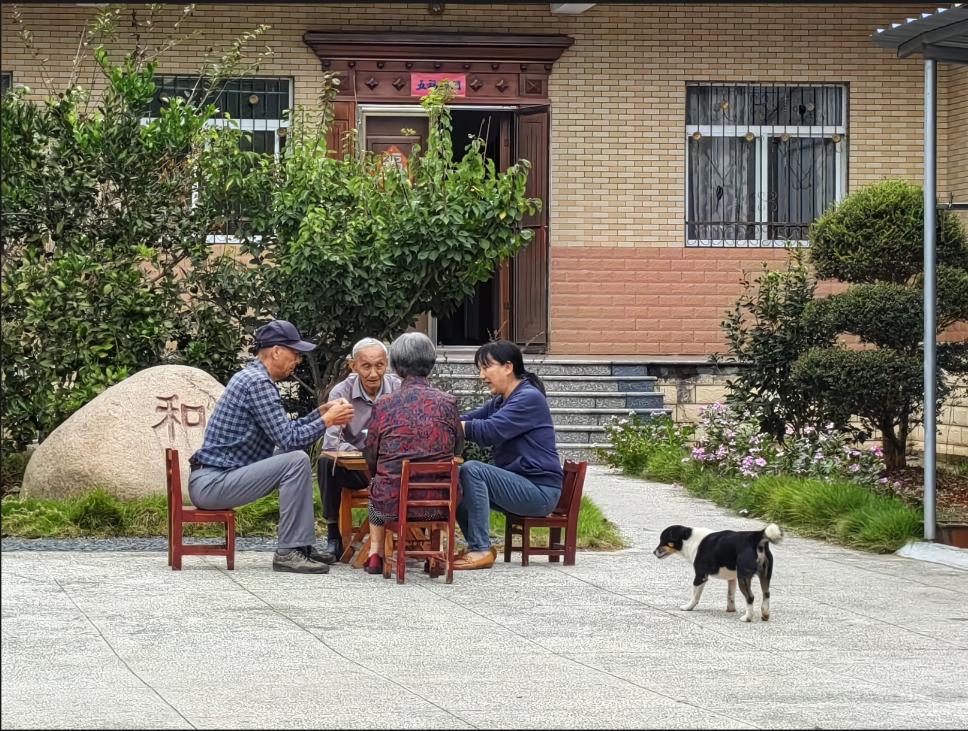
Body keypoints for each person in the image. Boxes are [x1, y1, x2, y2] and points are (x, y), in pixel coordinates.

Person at [188, 319, 355, 574]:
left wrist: (318, 414)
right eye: (295, 353)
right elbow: (288, 440)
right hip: (213, 483)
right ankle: (289, 552)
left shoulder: (253, 377)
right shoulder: (257, 383)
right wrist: (327, 421)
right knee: (296, 459)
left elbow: (284, 432)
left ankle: (300, 545)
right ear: (276, 351)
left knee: (294, 459)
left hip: (218, 476)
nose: (297, 360)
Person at [455, 340, 563, 570]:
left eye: (486, 367)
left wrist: (453, 427)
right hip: (522, 484)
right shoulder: (500, 402)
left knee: (472, 469)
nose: (482, 375)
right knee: (454, 481)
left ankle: (480, 549)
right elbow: (466, 419)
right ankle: (480, 546)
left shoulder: (528, 398)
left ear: (507, 367)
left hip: (540, 491)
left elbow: (490, 431)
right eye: (480, 369)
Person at [361, 332, 463, 575]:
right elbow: (458, 448)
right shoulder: (447, 403)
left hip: (392, 503)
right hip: (440, 502)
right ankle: (435, 555)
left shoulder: (384, 405)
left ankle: (375, 553)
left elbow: (371, 453)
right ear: (430, 364)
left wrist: (378, 473)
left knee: (376, 488)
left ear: (395, 366)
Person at [318, 337, 401, 557]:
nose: (373, 373)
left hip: (391, 470)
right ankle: (333, 535)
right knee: (327, 462)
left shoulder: (399, 389)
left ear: (387, 364)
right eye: (366, 366)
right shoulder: (341, 393)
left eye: (379, 365)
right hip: (356, 468)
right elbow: (331, 441)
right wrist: (362, 454)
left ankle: (414, 536)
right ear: (353, 366)